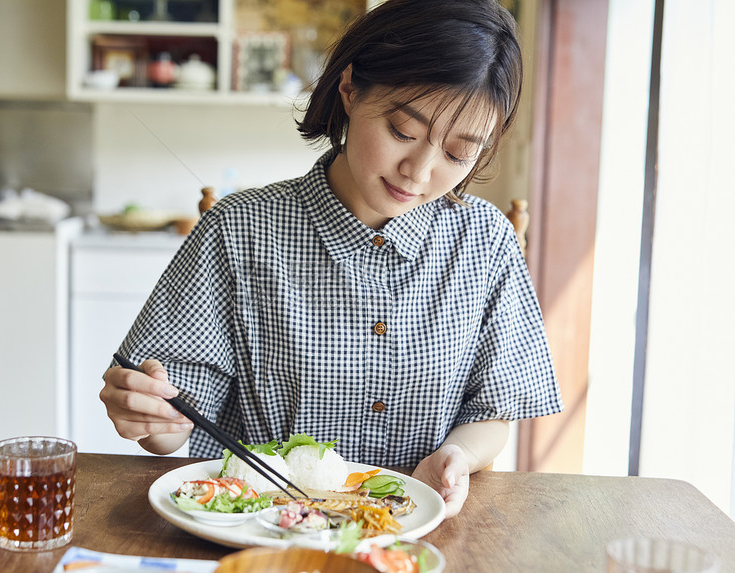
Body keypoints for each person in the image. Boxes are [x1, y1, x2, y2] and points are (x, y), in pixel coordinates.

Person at [100, 0, 563, 519]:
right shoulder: (240, 229)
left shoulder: (486, 240)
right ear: (349, 89)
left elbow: (495, 410)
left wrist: (459, 454)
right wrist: (148, 414)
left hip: (413, 540)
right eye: (403, 132)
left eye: (458, 154)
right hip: (262, 537)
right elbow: (175, 421)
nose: (419, 170)